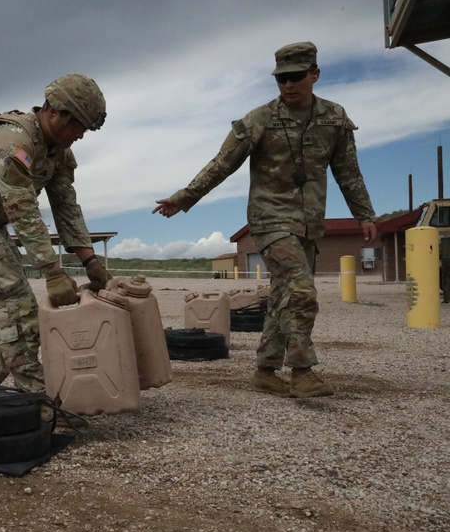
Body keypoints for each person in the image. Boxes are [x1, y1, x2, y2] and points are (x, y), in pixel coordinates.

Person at [152, 42, 377, 398]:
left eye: (295, 77)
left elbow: (349, 173)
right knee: (303, 290)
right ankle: (302, 370)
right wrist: (185, 197)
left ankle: (266, 370)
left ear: (314, 75)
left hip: (309, 222)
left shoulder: (334, 119)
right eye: (281, 79)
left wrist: (364, 214)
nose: (288, 85)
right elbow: (222, 163)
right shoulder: (259, 120)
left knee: (284, 294)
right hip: (269, 219)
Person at [0, 74, 111, 393]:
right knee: (21, 308)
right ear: (54, 111)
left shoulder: (60, 153)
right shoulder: (10, 141)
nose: (80, 136)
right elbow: (23, 209)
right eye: (77, 126)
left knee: (6, 312)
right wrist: (53, 273)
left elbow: (66, 206)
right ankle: (36, 399)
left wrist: (91, 262)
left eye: (85, 129)